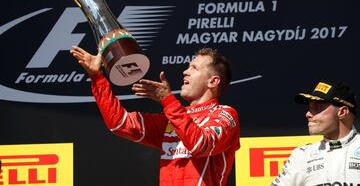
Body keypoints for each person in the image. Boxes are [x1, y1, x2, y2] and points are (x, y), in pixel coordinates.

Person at [70, 46, 240, 186]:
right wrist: (97, 77)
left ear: (213, 81)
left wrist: (168, 101)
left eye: (194, 68)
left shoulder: (225, 115)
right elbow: (119, 123)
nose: (185, 72)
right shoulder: (172, 119)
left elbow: (200, 145)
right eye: (188, 67)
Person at [271, 81, 360, 186]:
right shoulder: (302, 155)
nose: (308, 114)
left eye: (317, 108)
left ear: (342, 112)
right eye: (310, 108)